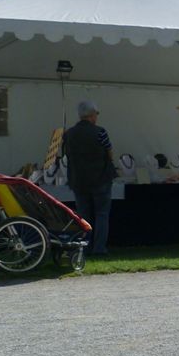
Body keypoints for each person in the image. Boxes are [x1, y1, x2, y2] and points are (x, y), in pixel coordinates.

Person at [62, 99, 115, 256]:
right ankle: (99, 248)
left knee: (83, 215)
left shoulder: (68, 134)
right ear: (92, 115)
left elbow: (66, 155)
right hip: (100, 178)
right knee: (102, 214)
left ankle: (84, 246)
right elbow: (109, 153)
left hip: (78, 180)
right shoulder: (100, 132)